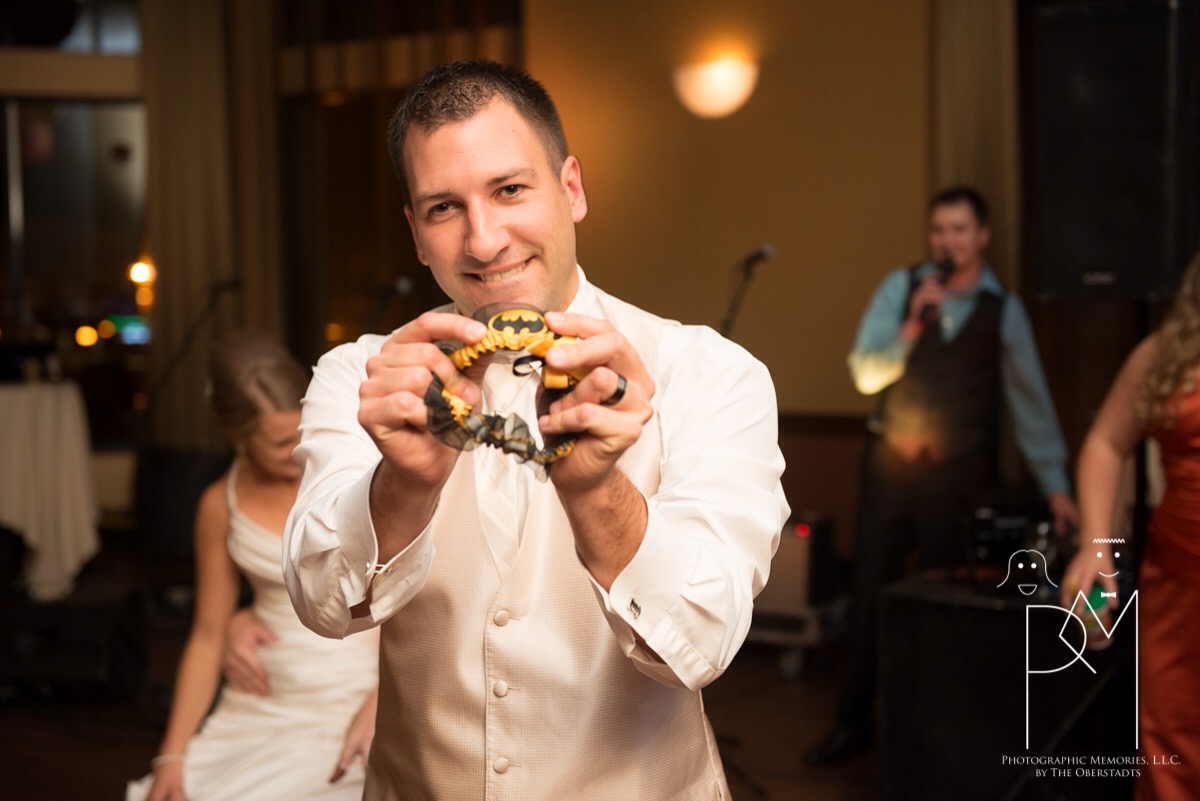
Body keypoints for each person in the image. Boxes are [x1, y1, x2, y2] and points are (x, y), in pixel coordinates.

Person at [282, 60, 789, 800]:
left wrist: (598, 493)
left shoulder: (711, 374)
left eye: (510, 190)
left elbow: (704, 643)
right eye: (444, 207)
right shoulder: (362, 377)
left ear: (571, 189)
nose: (485, 241)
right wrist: (402, 486)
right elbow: (322, 605)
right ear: (416, 234)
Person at [804, 186, 1080, 765]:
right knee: (870, 596)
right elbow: (865, 375)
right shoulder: (902, 289)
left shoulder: (1003, 309)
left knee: (941, 605)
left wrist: (1056, 486)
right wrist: (910, 326)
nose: (947, 241)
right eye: (938, 230)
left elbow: (1030, 404)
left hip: (957, 481)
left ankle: (931, 740)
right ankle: (852, 725)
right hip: (890, 471)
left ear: (982, 236)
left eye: (958, 230)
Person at [127, 331, 380, 801]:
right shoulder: (218, 505)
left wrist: (384, 702)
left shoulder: (364, 473)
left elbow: (424, 598)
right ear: (237, 437)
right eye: (281, 442)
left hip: (363, 691)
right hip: (262, 699)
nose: (300, 450)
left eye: (305, 429)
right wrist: (171, 756)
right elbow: (207, 633)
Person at [1061, 249, 1200, 800]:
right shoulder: (1167, 354)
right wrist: (1096, 545)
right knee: (1173, 747)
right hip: (1179, 586)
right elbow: (1106, 442)